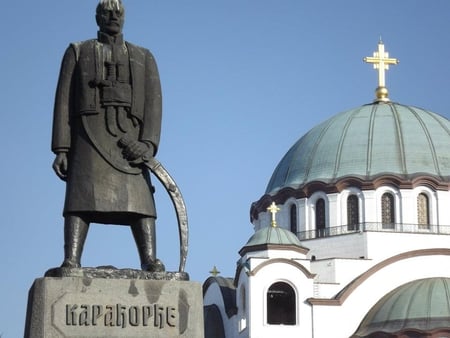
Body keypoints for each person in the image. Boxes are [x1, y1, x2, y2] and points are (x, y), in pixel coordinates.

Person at [51, 0, 164, 272]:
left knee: (141, 201)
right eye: (107, 12)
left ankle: (148, 259)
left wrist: (147, 144)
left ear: (124, 17)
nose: (113, 16)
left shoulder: (143, 56)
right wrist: (61, 149)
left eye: (118, 12)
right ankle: (72, 258)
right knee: (80, 199)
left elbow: (154, 105)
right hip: (88, 138)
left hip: (130, 142)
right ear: (97, 17)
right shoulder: (78, 52)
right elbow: (63, 101)